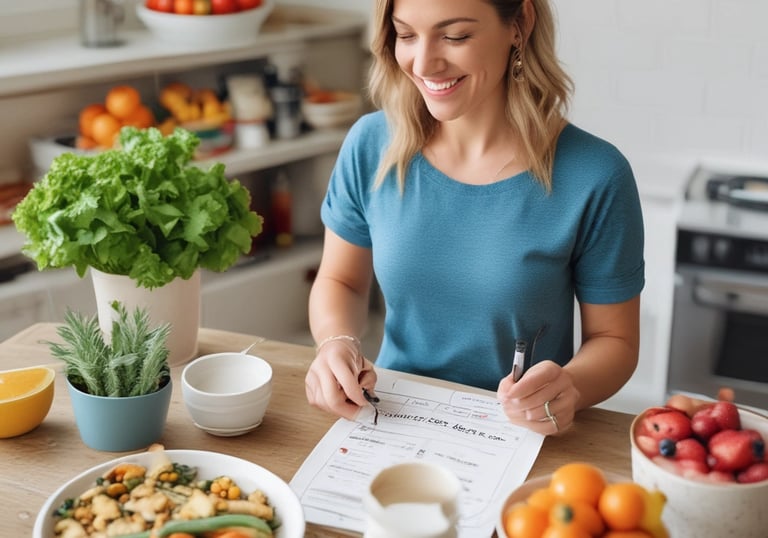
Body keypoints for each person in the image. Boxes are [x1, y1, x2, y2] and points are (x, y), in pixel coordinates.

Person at [304, 0, 644, 436]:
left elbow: (615, 342)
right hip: (389, 419)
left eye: (455, 36)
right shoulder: (370, 144)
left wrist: (571, 385)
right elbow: (341, 281)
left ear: (519, 24)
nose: (423, 62)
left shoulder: (595, 174)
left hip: (522, 437)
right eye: (406, 34)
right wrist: (336, 343)